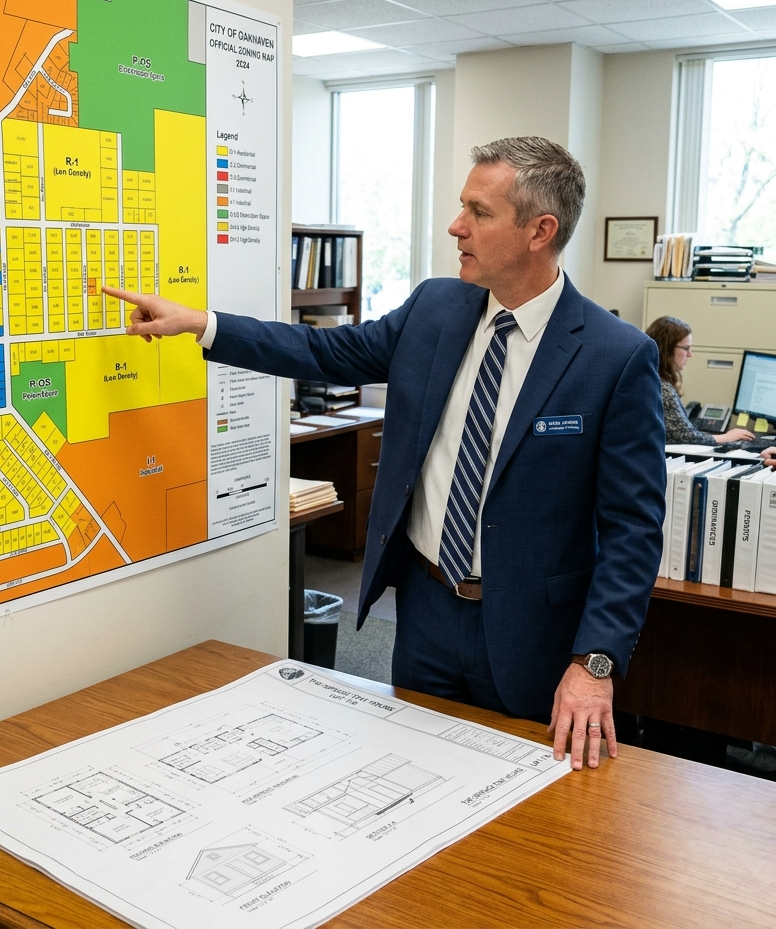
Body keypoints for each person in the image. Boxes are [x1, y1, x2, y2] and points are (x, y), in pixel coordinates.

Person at [104, 136, 667, 772]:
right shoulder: (434, 307)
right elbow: (325, 352)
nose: (456, 226)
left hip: (534, 635)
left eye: (479, 212)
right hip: (425, 611)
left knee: (527, 806)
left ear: (541, 231)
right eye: (462, 206)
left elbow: (633, 529)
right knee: (411, 781)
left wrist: (594, 662)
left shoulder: (615, 356)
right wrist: (201, 323)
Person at [644, 316, 754, 446]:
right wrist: (726, 437)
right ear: (667, 349)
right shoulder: (662, 388)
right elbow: (685, 438)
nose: (690, 354)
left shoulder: (650, 378)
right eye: (686, 348)